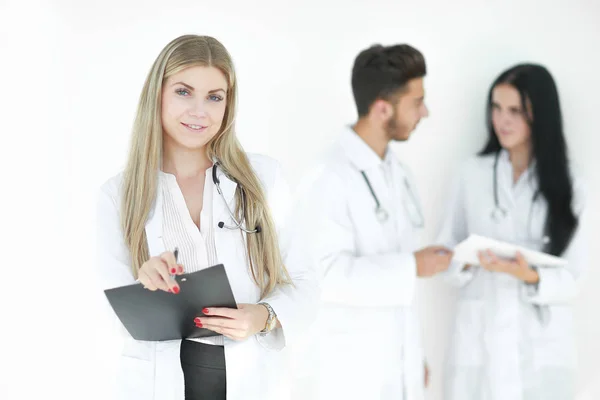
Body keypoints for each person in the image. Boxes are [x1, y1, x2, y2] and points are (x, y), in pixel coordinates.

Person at [96, 34, 318, 400]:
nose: (200, 111)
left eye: (215, 97)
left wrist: (263, 316)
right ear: (158, 94)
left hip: (249, 376)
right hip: (161, 380)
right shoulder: (117, 196)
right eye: (184, 92)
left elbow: (306, 281)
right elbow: (108, 311)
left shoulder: (264, 179)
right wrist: (145, 284)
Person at [289, 43, 453, 400]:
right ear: (382, 109)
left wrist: (414, 355)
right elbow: (325, 276)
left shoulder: (399, 172)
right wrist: (412, 267)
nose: (424, 111)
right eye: (416, 101)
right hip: (353, 373)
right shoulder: (328, 176)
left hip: (400, 366)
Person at [436, 63, 589, 400]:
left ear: (541, 115)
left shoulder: (572, 184)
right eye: (496, 108)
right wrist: (466, 261)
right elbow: (444, 253)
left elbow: (576, 276)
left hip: (542, 350)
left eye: (515, 111)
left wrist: (529, 275)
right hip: (479, 344)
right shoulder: (470, 174)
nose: (501, 120)